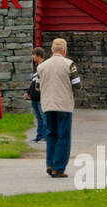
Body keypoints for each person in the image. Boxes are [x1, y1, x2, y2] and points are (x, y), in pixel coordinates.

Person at [38, 38, 80, 178]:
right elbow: (77, 85)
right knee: (63, 136)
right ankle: (59, 168)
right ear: (64, 50)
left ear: (52, 50)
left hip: (48, 105)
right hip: (64, 105)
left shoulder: (42, 66)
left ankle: (49, 164)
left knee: (51, 134)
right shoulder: (69, 64)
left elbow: (38, 87)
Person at [23, 47, 46, 142]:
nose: (32, 57)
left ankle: (46, 136)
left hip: (41, 97)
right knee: (39, 118)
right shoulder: (36, 67)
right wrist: (28, 92)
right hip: (34, 97)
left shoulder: (44, 66)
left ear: (38, 55)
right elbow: (33, 82)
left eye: (34, 55)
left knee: (44, 118)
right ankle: (39, 136)